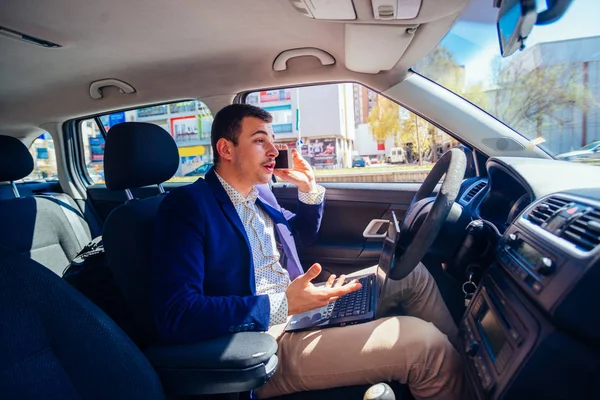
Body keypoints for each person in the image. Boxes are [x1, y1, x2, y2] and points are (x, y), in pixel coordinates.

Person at [152, 104, 463, 399]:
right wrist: (283, 305)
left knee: (413, 275)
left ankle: (467, 371)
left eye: (273, 141)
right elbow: (177, 315)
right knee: (426, 347)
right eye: (260, 141)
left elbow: (300, 237)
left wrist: (307, 188)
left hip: (302, 308)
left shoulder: (259, 194)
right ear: (226, 149)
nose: (274, 151)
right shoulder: (188, 206)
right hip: (267, 339)